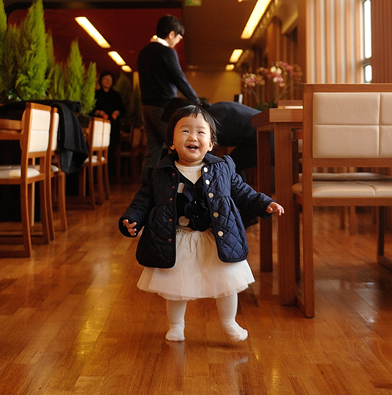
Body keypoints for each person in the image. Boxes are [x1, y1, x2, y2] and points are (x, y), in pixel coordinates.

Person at [118, 105, 284, 343]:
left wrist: (264, 203)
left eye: (200, 132)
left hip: (216, 237)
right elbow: (143, 200)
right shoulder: (160, 173)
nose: (192, 137)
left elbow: (243, 192)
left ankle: (229, 322)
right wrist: (131, 218)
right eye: (185, 131)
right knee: (175, 285)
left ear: (211, 143)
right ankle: (176, 325)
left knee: (227, 281)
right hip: (177, 237)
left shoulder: (223, 168)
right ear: (172, 142)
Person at [136, 15, 199, 176]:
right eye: (178, 37)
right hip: (163, 109)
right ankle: (182, 186)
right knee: (179, 148)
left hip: (146, 108)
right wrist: (196, 101)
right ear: (171, 34)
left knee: (152, 151)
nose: (178, 41)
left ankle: (146, 188)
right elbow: (179, 78)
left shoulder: (143, 52)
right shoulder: (167, 52)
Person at [162, 97, 259, 174]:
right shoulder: (210, 111)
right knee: (230, 166)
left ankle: (236, 193)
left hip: (261, 137)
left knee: (228, 168)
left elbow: (205, 155)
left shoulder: (207, 119)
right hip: (260, 134)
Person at [93, 70, 125, 178]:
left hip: (113, 128)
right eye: (105, 79)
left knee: (111, 150)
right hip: (98, 127)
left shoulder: (116, 95)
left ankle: (109, 175)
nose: (108, 81)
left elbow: (123, 110)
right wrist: (99, 112)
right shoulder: (96, 94)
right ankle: (97, 175)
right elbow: (90, 110)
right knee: (97, 150)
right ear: (101, 81)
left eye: (110, 79)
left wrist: (117, 113)